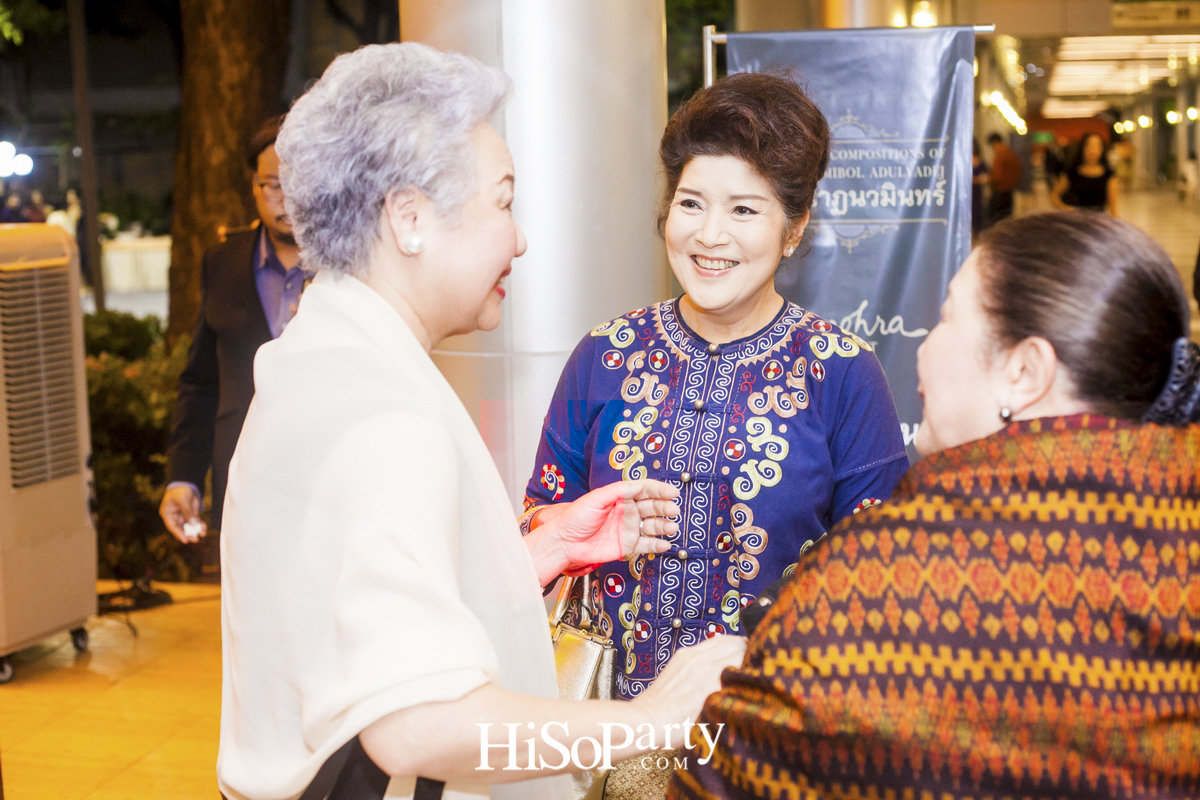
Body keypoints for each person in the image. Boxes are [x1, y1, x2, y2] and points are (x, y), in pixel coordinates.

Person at [217, 42, 746, 800]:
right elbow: (418, 728)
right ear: (409, 219)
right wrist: (651, 720)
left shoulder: (318, 357)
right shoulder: (383, 416)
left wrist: (538, 553)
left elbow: (352, 616)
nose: (519, 238)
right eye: (503, 201)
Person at [668, 211, 1200, 799]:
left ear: (1025, 371)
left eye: (946, 317)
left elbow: (719, 779)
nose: (924, 344)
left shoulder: (873, 585)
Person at [521, 72, 908, 703]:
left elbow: (878, 576)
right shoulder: (605, 354)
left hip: (765, 726)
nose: (709, 235)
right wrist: (562, 529)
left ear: (795, 228)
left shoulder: (841, 371)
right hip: (606, 728)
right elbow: (537, 523)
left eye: (744, 210)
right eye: (691, 203)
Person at [158, 116, 305, 578]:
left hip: (329, 486)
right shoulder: (222, 261)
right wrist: (184, 477)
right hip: (242, 486)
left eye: (301, 182)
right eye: (274, 185)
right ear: (253, 185)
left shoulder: (352, 265)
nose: (287, 200)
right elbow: (201, 382)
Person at [1052, 131, 1119, 216]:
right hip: (1074, 217)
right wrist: (1064, 207)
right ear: (1082, 148)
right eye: (1089, 145)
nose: (1093, 150)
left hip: (1096, 219)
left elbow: (1113, 208)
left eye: (1097, 145)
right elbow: (1054, 195)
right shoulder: (1072, 172)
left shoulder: (1108, 175)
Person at [986, 131, 1021, 226]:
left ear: (994, 143)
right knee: (1007, 220)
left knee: (996, 222)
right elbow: (1019, 172)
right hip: (1010, 192)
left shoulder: (999, 157)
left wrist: (989, 181)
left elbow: (998, 177)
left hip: (999, 193)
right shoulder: (1012, 154)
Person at [971, 137, 988, 236]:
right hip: (965, 193)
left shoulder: (981, 162)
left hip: (977, 192)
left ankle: (977, 233)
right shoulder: (962, 161)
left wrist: (975, 180)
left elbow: (985, 178)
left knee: (977, 212)